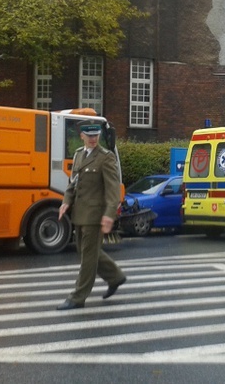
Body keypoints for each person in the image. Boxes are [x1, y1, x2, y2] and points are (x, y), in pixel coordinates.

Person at [57, 120, 127, 310]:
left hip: (95, 216)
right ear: (82, 136)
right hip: (79, 213)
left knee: (88, 258)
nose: (93, 139)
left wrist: (109, 214)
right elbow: (73, 183)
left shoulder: (106, 158)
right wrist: (65, 202)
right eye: (89, 136)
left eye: (96, 135)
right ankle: (116, 276)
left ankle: (77, 297)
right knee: (86, 252)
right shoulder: (79, 155)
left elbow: (113, 190)